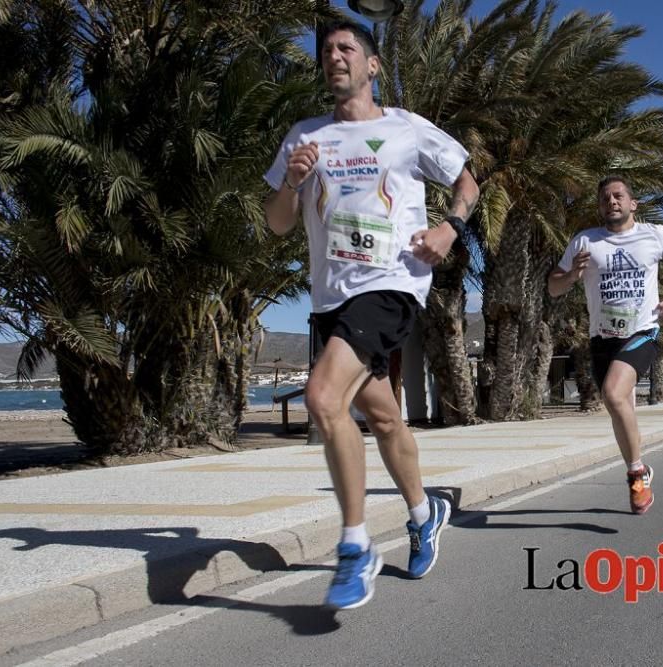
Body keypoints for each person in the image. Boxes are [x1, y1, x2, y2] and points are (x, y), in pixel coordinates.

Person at [264, 20, 479, 610]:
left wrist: (449, 228)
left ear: (373, 64)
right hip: (332, 297)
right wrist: (291, 181)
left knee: (323, 398)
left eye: (346, 48)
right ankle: (423, 510)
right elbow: (277, 222)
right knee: (383, 417)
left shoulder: (406, 128)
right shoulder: (304, 137)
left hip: (391, 284)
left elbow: (467, 181)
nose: (333, 57)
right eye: (326, 51)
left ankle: (356, 548)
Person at [548, 175, 663, 514]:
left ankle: (634, 475)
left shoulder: (655, 235)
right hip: (602, 338)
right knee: (618, 408)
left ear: (633, 204)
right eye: (605, 198)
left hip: (641, 332)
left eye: (618, 196)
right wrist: (571, 275)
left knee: (614, 395)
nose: (611, 201)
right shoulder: (585, 241)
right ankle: (640, 468)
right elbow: (553, 287)